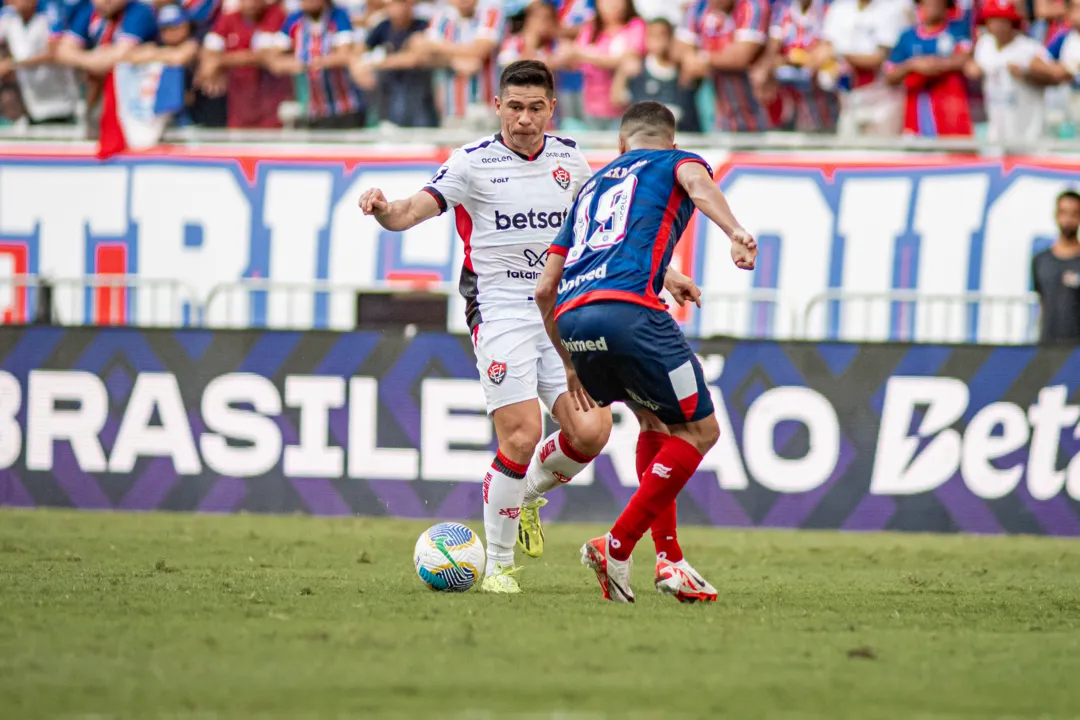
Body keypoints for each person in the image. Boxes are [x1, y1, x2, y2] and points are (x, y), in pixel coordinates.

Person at [534, 101, 757, 603]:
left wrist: (569, 361)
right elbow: (699, 186)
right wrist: (735, 231)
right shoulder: (676, 161)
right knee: (702, 430)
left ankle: (670, 561)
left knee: (655, 425)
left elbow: (545, 289)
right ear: (671, 142)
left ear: (620, 144)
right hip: (631, 313)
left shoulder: (590, 186)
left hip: (573, 319)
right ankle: (616, 544)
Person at [967, 0, 1058, 143]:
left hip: (1028, 137)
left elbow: (1055, 76)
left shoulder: (1028, 48)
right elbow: (972, 65)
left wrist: (1027, 73)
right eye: (993, 20)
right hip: (997, 135)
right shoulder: (984, 45)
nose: (998, 26)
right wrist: (972, 67)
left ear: (1012, 23)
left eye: (1003, 21)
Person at [884, 0, 973, 137]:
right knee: (918, 154)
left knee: (955, 152)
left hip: (951, 110)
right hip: (916, 111)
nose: (932, 6)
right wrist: (911, 65)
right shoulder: (907, 37)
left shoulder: (957, 29)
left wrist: (932, 65)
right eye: (926, 2)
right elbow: (890, 75)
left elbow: (963, 59)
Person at [1033, 190, 1080, 344]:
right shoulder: (1041, 260)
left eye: (1074, 213)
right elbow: (1041, 299)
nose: (1068, 219)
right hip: (1047, 346)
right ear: (1056, 215)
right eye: (1064, 212)